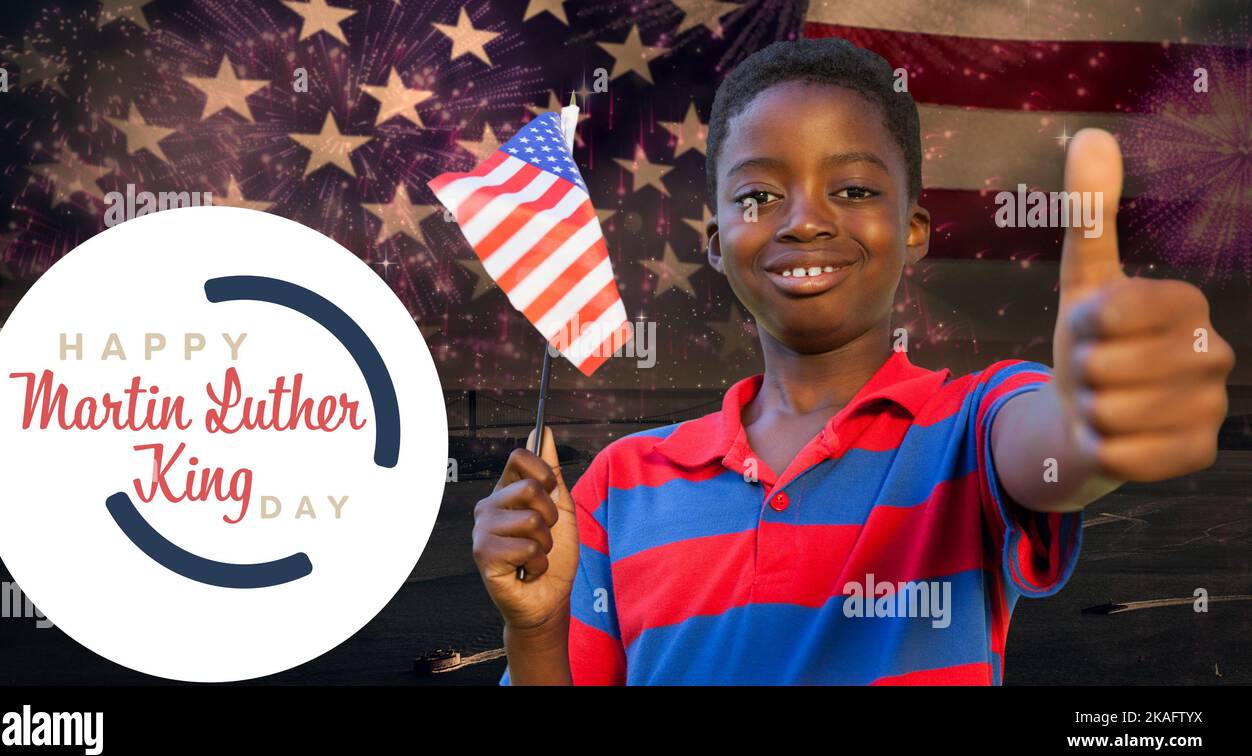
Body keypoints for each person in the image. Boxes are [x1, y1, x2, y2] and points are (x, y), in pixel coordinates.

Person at [471, 38, 1234, 685]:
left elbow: (1052, 445)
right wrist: (535, 629)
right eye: (759, 196)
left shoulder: (968, 429)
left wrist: (1093, 422)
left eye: (855, 187)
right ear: (713, 243)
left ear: (914, 228)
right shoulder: (620, 484)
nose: (805, 220)